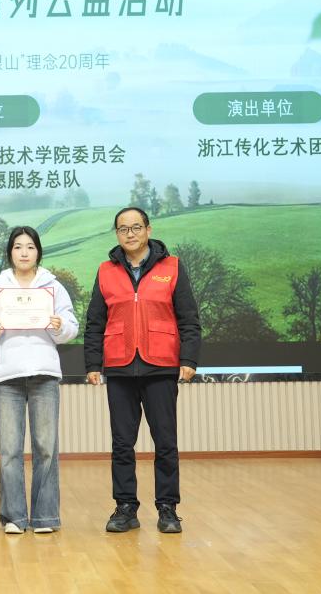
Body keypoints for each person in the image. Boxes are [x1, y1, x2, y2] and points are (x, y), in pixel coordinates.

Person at [84, 206, 201, 534]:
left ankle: (168, 508)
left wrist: (189, 360)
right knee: (122, 443)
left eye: (136, 227)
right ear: (117, 234)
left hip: (161, 366)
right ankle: (125, 508)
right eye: (123, 229)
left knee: (165, 441)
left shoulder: (172, 267)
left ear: (149, 230)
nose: (130, 234)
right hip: (120, 367)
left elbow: (189, 319)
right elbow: (95, 322)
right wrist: (93, 363)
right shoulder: (105, 271)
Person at [0, 226, 78, 535]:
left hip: (45, 375)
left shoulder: (53, 286)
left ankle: (45, 517)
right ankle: (14, 517)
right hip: (9, 378)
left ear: (38, 252)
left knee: (46, 448)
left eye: (30, 246)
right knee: (10, 451)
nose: (24, 252)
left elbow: (71, 327)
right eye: (18, 247)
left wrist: (59, 326)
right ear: (10, 253)